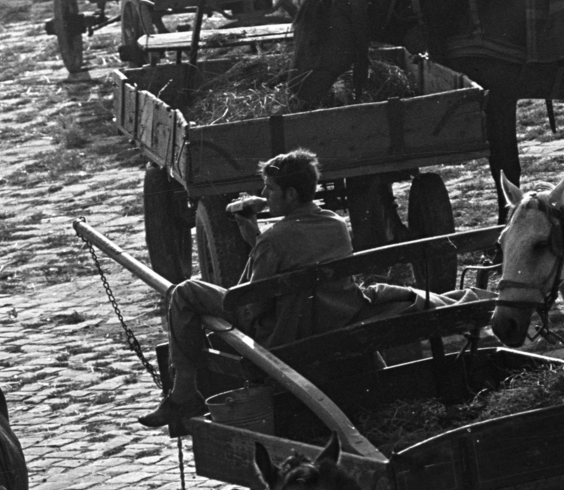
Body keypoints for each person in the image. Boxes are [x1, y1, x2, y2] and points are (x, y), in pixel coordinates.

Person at [139, 148, 438, 429]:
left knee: (184, 292)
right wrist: (258, 237)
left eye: (269, 188)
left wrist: (255, 242)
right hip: (335, 316)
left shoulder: (275, 240)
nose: (264, 194)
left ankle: (182, 393)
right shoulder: (336, 224)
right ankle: (182, 393)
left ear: (291, 194)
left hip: (288, 330)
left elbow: (249, 305)